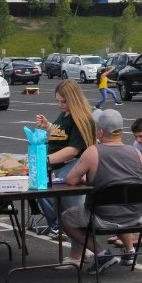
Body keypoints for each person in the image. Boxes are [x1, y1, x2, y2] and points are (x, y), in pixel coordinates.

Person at [60, 109, 142, 274]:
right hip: (135, 215)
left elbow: (71, 180)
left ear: (100, 131)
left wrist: (88, 178)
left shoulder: (93, 151)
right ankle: (129, 252)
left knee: (65, 218)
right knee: (120, 200)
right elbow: (126, 180)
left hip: (104, 216)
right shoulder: (136, 152)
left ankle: (101, 253)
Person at [34, 80, 96, 238]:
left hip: (72, 168)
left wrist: (44, 159)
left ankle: (85, 251)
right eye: (57, 100)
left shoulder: (81, 118)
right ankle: (76, 252)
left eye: (64, 101)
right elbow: (61, 134)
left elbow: (72, 150)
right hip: (59, 168)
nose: (60, 104)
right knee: (63, 214)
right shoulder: (65, 114)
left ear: (74, 99)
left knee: (73, 217)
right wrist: (48, 126)